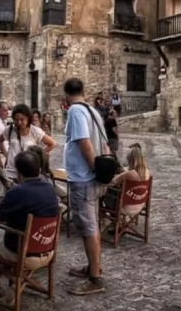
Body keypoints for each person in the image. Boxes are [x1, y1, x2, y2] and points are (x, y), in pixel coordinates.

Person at [0, 151, 58, 285]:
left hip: (24, 253)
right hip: (48, 249)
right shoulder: (49, 188)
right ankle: (6, 275)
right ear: (39, 169)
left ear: (19, 172)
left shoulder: (18, 192)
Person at [62, 78, 107, 295]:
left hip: (83, 178)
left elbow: (84, 143)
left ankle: (95, 279)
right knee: (93, 225)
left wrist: (94, 169)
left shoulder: (75, 111)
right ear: (84, 90)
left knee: (89, 229)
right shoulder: (93, 111)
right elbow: (105, 145)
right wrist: (103, 173)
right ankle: (93, 266)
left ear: (66, 94)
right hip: (93, 179)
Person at [1, 104, 56, 183]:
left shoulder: (35, 131)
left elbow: (52, 143)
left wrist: (37, 155)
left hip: (27, 174)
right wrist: (6, 154)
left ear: (28, 118)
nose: (19, 122)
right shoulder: (9, 130)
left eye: (22, 119)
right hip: (11, 172)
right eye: (16, 120)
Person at [106, 144, 151, 215]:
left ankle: (114, 220)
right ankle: (119, 222)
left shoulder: (129, 174)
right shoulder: (147, 172)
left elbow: (111, 183)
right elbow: (131, 173)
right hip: (140, 206)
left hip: (125, 208)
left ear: (131, 160)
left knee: (105, 195)